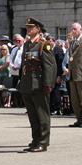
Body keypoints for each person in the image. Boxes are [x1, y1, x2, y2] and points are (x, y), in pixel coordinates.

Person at [18, 17, 56, 152]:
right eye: (27, 27)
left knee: (42, 114)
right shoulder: (27, 44)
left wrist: (48, 84)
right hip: (27, 83)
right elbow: (23, 65)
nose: (28, 29)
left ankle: (43, 141)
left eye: (31, 27)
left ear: (38, 29)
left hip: (39, 84)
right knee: (33, 115)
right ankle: (35, 140)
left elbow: (50, 66)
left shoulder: (43, 44)